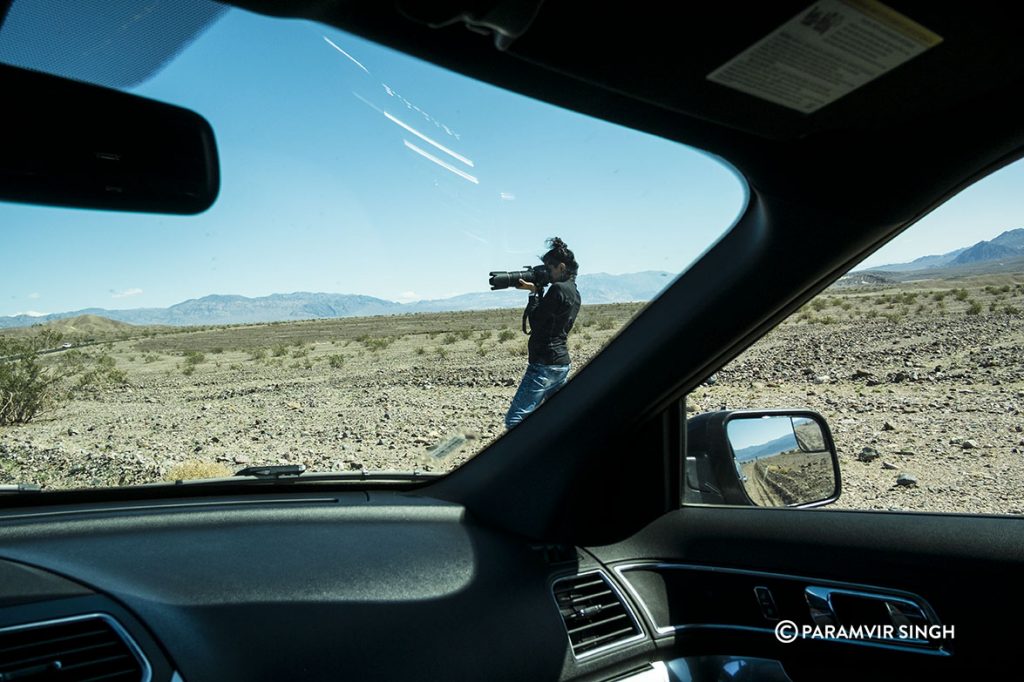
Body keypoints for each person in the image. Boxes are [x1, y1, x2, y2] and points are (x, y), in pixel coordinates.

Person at [505, 237, 581, 429]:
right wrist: (538, 291)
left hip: (544, 364)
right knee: (555, 418)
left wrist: (533, 293)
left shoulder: (557, 289)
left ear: (562, 267)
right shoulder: (574, 291)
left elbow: (537, 321)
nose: (546, 272)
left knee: (515, 419)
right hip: (561, 363)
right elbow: (551, 321)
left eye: (549, 268)